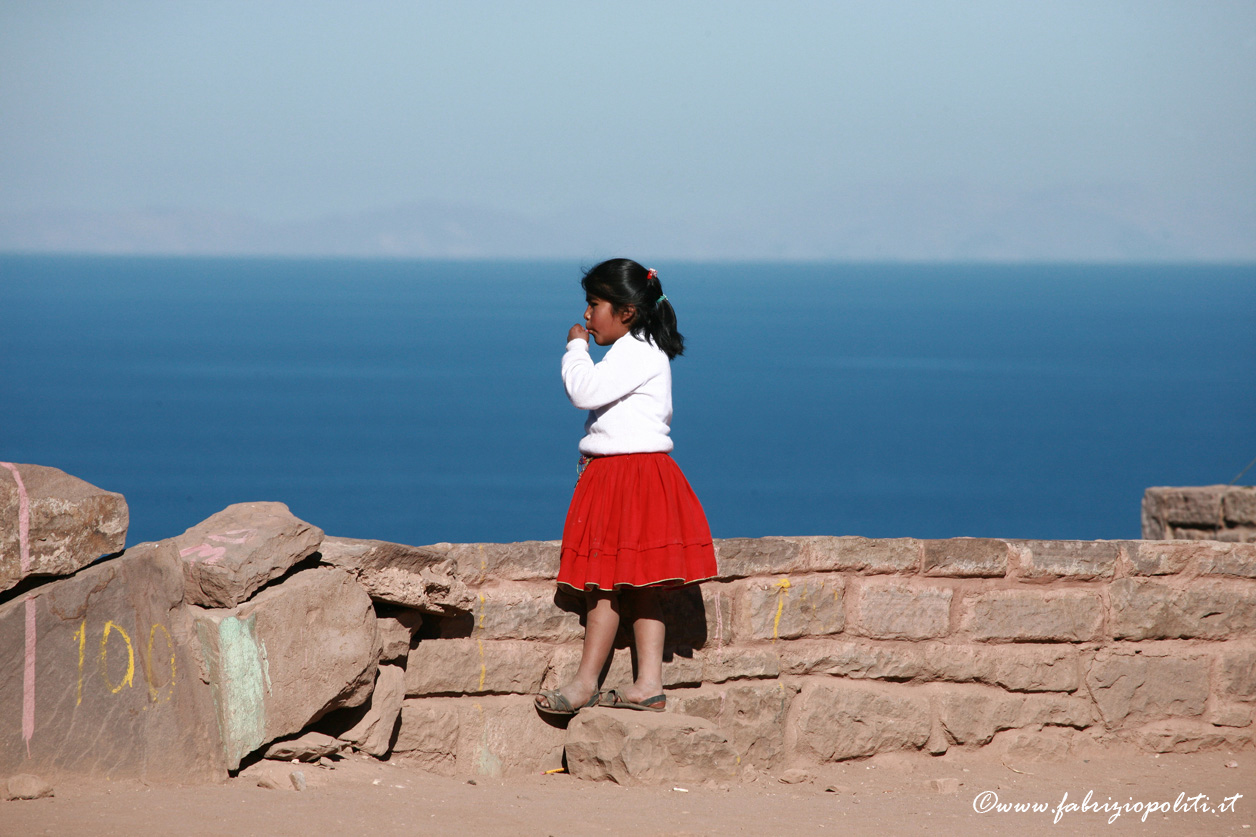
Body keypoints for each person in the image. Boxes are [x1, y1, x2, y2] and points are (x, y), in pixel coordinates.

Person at [535, 258, 717, 716]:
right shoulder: (642, 348)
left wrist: (575, 348)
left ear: (627, 311)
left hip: (625, 477)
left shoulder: (636, 352)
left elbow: (583, 391)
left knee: (604, 584)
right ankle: (647, 685)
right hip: (640, 476)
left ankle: (583, 684)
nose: (587, 317)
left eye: (595, 305)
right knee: (642, 585)